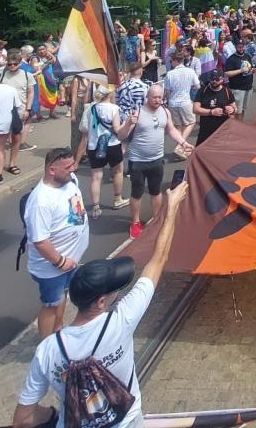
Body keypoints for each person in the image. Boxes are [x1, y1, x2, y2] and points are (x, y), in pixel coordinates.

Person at [11, 181, 188, 428]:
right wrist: (172, 208)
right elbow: (158, 259)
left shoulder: (48, 350)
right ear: (102, 302)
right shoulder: (121, 321)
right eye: (116, 289)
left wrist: (51, 413)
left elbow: (22, 419)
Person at [24, 147, 91, 339]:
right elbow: (40, 241)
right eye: (68, 167)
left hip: (69, 261)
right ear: (52, 170)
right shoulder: (41, 201)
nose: (74, 169)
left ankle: (58, 330)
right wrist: (61, 262)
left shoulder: (69, 181)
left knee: (62, 296)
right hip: (52, 267)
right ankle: (46, 346)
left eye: (73, 164)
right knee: (51, 304)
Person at [117, 85, 191, 240]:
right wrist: (129, 123)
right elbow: (121, 135)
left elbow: (171, 130)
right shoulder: (137, 113)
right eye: (154, 97)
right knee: (137, 193)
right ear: (148, 97)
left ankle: (157, 219)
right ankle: (135, 222)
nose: (158, 100)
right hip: (137, 161)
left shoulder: (165, 112)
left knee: (156, 191)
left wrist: (183, 142)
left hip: (157, 159)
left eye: (160, 97)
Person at [73, 86, 128, 220]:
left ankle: (96, 207)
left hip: (94, 145)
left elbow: (88, 127)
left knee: (96, 177)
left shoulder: (92, 108)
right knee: (117, 171)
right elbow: (116, 129)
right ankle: (117, 199)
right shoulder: (114, 108)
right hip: (112, 145)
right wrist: (126, 123)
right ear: (110, 94)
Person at [161, 51, 199, 145]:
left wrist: (166, 101)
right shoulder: (190, 71)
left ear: (175, 61)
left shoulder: (169, 74)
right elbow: (197, 86)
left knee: (178, 126)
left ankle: (180, 144)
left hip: (173, 103)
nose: (170, 63)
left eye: (171, 61)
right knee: (191, 122)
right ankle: (181, 145)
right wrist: (189, 86)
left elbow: (167, 91)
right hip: (185, 101)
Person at [193, 71, 236, 146]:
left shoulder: (227, 91)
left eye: (217, 79)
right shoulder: (203, 90)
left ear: (222, 79)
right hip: (205, 131)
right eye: (212, 79)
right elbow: (195, 109)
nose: (214, 81)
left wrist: (232, 110)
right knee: (201, 151)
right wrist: (211, 112)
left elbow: (235, 108)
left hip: (222, 130)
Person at [224, 39, 256, 112]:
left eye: (243, 47)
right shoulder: (231, 59)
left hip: (248, 87)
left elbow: (249, 68)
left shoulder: (247, 56)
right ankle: (235, 123)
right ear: (236, 47)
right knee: (236, 111)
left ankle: (241, 123)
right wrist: (241, 70)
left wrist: (252, 71)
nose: (241, 49)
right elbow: (226, 74)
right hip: (237, 89)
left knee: (243, 110)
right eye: (239, 47)